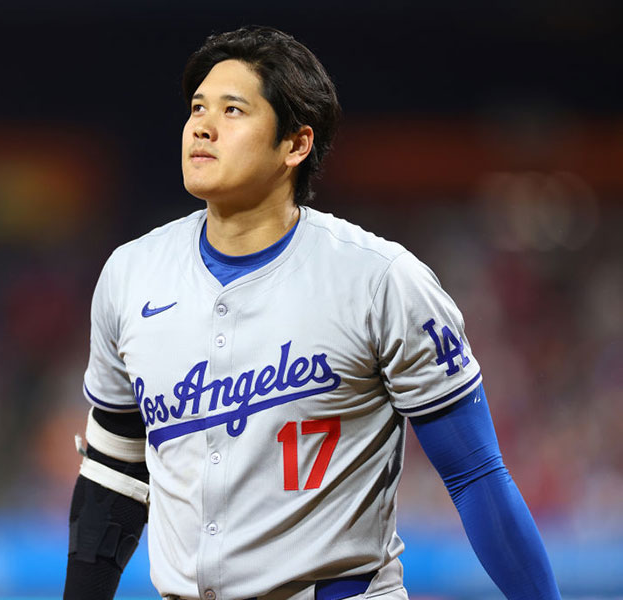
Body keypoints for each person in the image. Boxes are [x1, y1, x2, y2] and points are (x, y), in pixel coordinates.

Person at [63, 26, 561, 600]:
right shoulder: (131, 274)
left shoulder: (379, 280)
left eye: (232, 110)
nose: (201, 126)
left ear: (296, 145)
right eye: (197, 107)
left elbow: (476, 477)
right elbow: (114, 473)